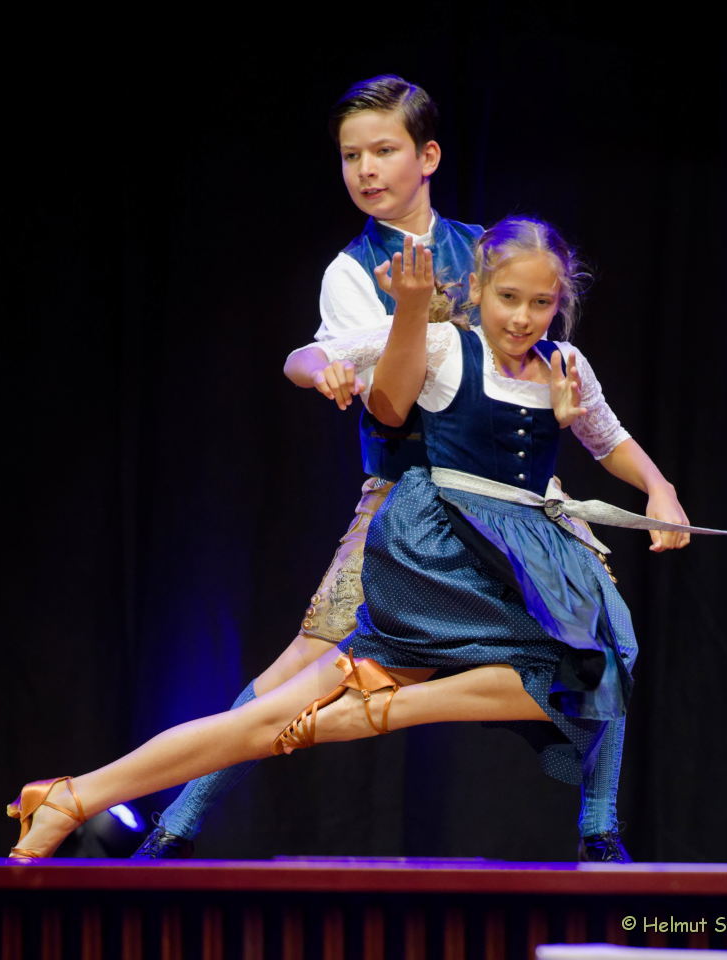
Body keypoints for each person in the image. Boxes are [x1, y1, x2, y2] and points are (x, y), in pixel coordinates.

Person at [7, 215, 706, 864]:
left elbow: (608, 438)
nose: (522, 317)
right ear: (477, 291)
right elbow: (314, 362)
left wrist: (660, 488)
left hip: (518, 555)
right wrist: (331, 368)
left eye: (541, 303)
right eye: (508, 299)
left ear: (561, 303)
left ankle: (72, 796)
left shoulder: (564, 364)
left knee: (592, 666)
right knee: (587, 665)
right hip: (442, 558)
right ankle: (106, 794)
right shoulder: (445, 344)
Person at [132, 74, 485, 860]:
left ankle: (601, 833)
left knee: (590, 645)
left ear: (428, 156)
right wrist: (323, 365)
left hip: (503, 498)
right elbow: (373, 387)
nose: (366, 169)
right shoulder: (352, 272)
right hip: (411, 498)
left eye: (383, 150)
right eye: (351, 156)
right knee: (308, 660)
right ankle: (175, 826)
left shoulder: (489, 251)